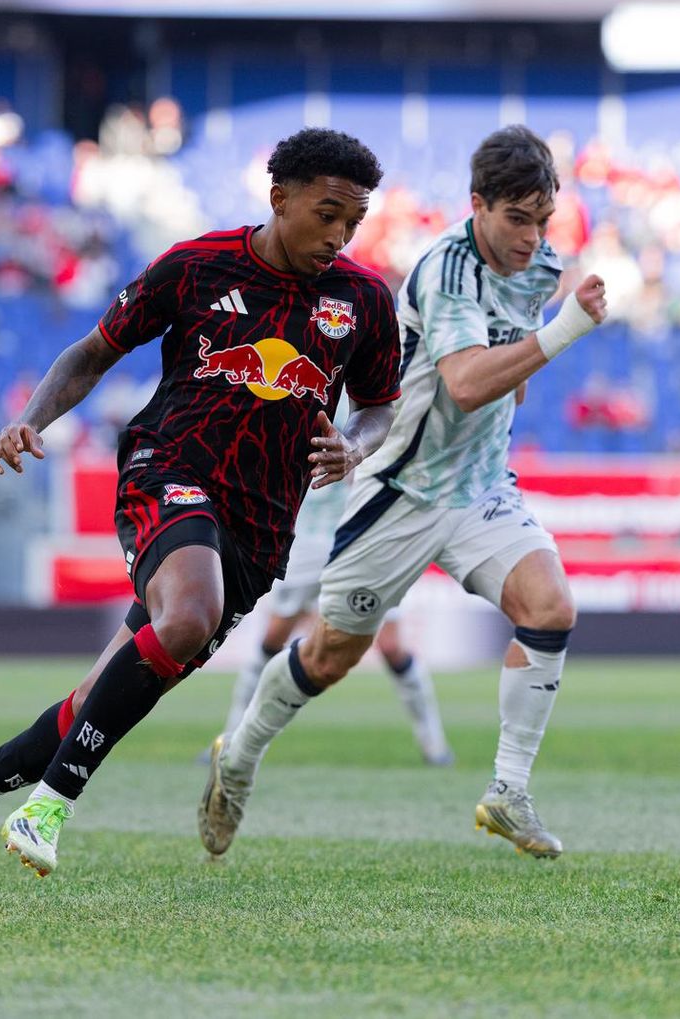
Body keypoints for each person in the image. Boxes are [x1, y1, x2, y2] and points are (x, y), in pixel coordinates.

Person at [0, 128, 404, 882]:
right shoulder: (197, 265)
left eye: (352, 222)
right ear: (279, 198)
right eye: (326, 214)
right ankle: (50, 805)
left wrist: (353, 445)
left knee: (95, 701)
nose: (338, 235)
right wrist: (30, 419)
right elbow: (93, 351)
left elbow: (379, 406)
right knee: (190, 614)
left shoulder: (362, 300)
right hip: (165, 470)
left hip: (263, 528)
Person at [200, 125, 609, 861]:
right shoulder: (444, 269)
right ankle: (240, 754)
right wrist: (564, 331)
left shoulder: (540, 265)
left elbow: (500, 379)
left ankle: (508, 791)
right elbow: (463, 379)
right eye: (516, 219)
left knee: (550, 607)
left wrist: (526, 366)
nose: (532, 236)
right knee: (329, 656)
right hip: (400, 489)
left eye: (542, 220)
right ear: (477, 205)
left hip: (480, 484)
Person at [210, 472, 452, 766]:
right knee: (273, 638)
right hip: (310, 538)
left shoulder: (381, 426)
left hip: (365, 541)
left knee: (391, 647)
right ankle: (231, 736)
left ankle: (435, 747)